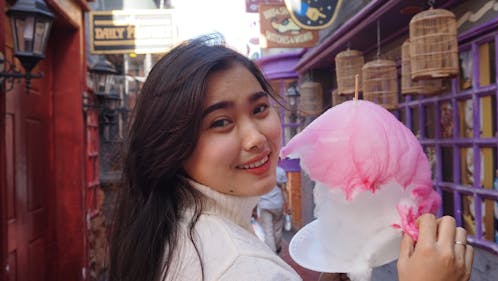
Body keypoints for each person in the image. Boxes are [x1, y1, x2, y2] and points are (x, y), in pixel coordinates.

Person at [108, 33, 474, 281]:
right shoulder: (243, 267)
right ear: (171, 142)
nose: (255, 138)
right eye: (221, 122)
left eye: (260, 108)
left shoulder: (168, 225)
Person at [256, 165, 289, 253]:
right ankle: (277, 247)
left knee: (268, 230)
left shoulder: (260, 172)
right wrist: (287, 205)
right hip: (278, 204)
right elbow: (284, 190)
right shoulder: (281, 171)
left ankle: (272, 252)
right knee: (277, 228)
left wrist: (254, 208)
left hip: (264, 205)